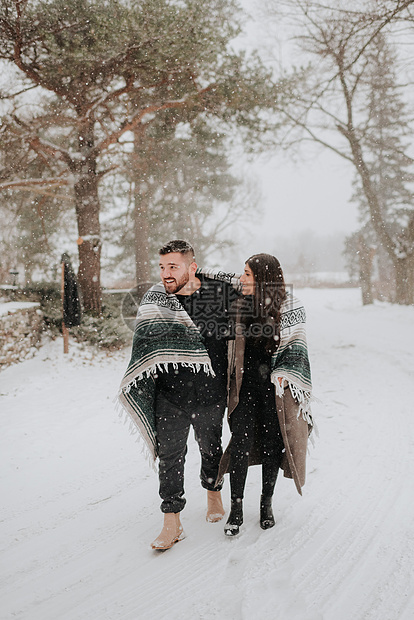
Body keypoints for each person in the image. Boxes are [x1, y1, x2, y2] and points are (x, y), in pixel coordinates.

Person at [118, 240, 239, 550]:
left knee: (210, 447)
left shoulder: (219, 294)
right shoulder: (156, 300)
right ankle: (172, 521)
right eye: (161, 267)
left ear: (192, 267)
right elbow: (144, 344)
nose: (166, 274)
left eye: (173, 267)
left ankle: (213, 492)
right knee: (170, 456)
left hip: (210, 392)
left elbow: (262, 298)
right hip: (169, 393)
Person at [217, 253, 314, 536]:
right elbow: (217, 277)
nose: (242, 277)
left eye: (247, 273)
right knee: (240, 445)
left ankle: (266, 504)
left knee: (273, 446)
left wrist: (284, 372)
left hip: (274, 391)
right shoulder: (239, 301)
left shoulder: (291, 306)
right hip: (244, 388)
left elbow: (297, 348)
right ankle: (236, 507)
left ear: (262, 278)